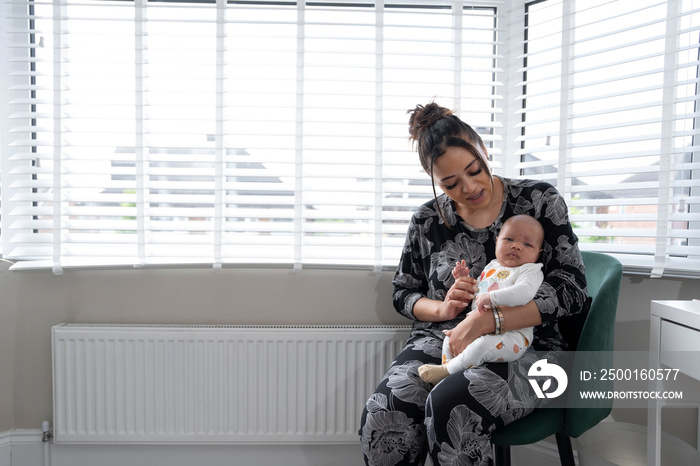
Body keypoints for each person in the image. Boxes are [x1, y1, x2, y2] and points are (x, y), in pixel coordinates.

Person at [359, 102, 589, 466]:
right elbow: (404, 294)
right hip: (444, 340)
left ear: (484, 150)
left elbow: (572, 288)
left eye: (474, 170)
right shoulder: (426, 220)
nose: (469, 187)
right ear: (436, 181)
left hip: (533, 348)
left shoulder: (539, 201)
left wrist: (487, 321)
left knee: (452, 405)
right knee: (387, 411)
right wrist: (444, 308)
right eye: (451, 183)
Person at [418, 214, 545, 385]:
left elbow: (524, 293)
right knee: (450, 338)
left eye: (527, 244)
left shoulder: (530, 270)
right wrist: (464, 280)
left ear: (538, 253)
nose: (516, 246)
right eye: (509, 239)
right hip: (478, 329)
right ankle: (446, 373)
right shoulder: (493, 266)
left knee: (484, 345)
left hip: (513, 335)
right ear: (497, 241)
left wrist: (492, 297)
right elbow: (477, 293)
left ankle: (446, 372)